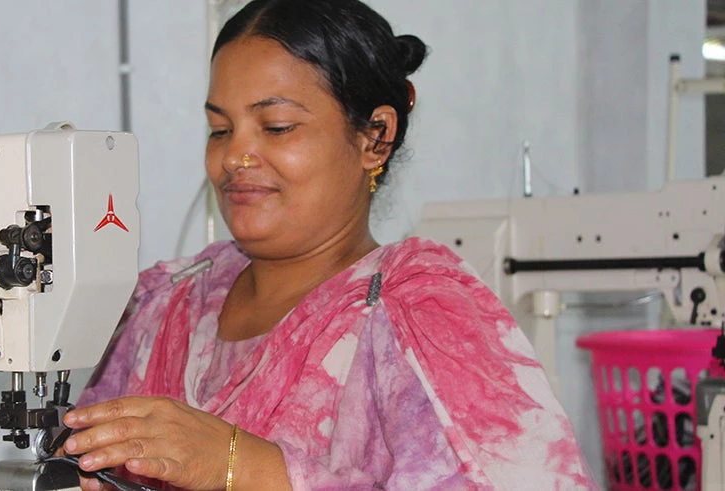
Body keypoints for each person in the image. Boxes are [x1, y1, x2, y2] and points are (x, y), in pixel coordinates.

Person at [60, 0, 595, 489]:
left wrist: (236, 462)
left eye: (277, 126)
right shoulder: (168, 307)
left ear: (374, 137)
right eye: (219, 130)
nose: (235, 156)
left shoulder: (416, 312)